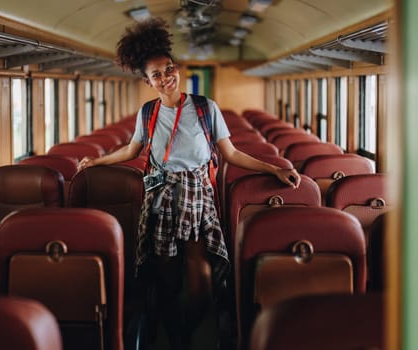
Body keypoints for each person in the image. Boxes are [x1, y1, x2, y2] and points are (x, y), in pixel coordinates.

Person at [77, 17, 301, 350]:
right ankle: (176, 335)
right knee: (166, 278)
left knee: (202, 282)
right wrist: (94, 161)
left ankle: (187, 325)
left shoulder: (206, 108)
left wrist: (274, 169)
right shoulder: (147, 114)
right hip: (163, 196)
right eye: (157, 75)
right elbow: (130, 150)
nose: (166, 78)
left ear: (176, 69)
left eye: (169, 69)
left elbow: (232, 154)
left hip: (198, 196)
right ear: (148, 81)